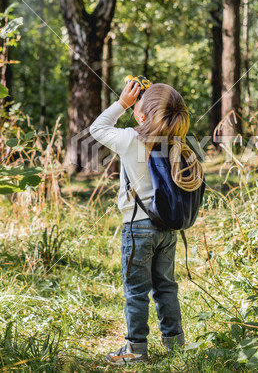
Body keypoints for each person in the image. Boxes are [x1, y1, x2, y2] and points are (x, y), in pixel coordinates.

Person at [89, 81, 203, 365]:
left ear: (142, 116)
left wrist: (123, 104)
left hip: (138, 228)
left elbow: (97, 128)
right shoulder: (178, 143)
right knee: (166, 287)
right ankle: (175, 346)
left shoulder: (130, 139)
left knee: (136, 291)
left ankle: (135, 350)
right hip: (167, 229)